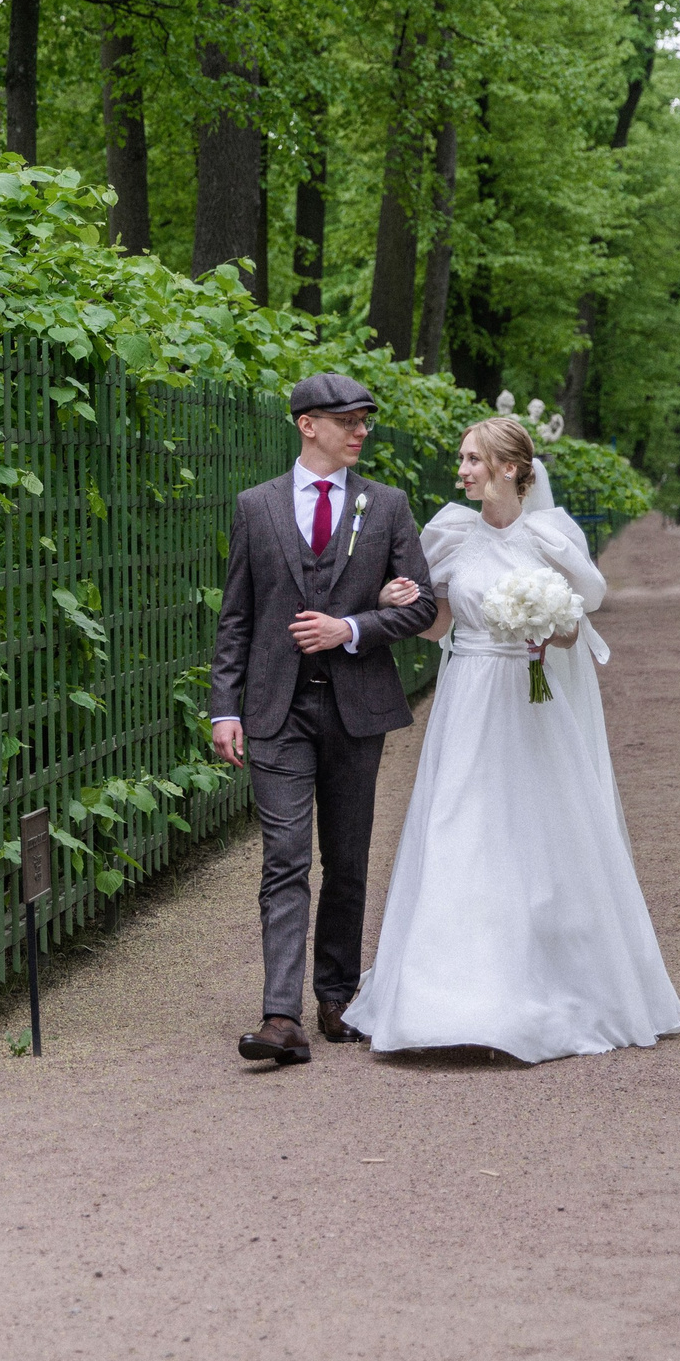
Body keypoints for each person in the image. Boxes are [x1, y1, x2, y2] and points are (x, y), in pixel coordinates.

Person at [341, 415, 680, 1062]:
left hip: (529, 699)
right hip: (467, 694)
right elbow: (436, 621)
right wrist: (402, 599)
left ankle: (542, 984)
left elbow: (573, 624)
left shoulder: (551, 536)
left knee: (538, 832)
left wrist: (548, 627)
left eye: (473, 459)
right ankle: (438, 998)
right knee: (455, 828)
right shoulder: (448, 533)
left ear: (509, 467)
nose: (462, 470)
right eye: (462, 458)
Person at [210, 374, 438, 1066]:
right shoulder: (256, 507)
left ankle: (336, 997)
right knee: (283, 858)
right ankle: (280, 1016)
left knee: (346, 857)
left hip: (356, 707)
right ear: (307, 424)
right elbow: (238, 617)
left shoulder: (388, 505)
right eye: (347, 419)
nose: (360, 429)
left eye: (365, 418)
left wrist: (353, 626)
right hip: (275, 709)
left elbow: (423, 605)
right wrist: (225, 705)